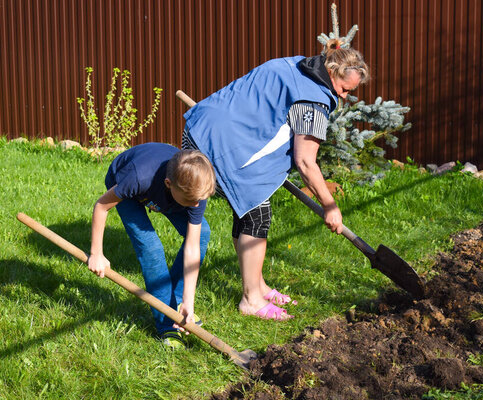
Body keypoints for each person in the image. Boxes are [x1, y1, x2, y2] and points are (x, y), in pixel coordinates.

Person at [182, 38, 370, 321]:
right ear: (333, 74)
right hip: (222, 152)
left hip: (201, 128)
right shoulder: (314, 102)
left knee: (248, 207)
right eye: (345, 90)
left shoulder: (293, 64)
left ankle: (257, 284)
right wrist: (330, 205)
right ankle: (251, 300)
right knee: (257, 216)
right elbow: (305, 161)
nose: (344, 97)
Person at [87, 143, 215, 348]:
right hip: (125, 184)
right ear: (168, 184)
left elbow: (192, 247)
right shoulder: (137, 178)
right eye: (192, 201)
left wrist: (188, 300)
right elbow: (101, 206)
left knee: (201, 235)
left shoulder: (196, 193)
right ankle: (167, 324)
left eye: (200, 200)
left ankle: (175, 305)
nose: (197, 206)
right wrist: (96, 253)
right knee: (151, 249)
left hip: (167, 193)